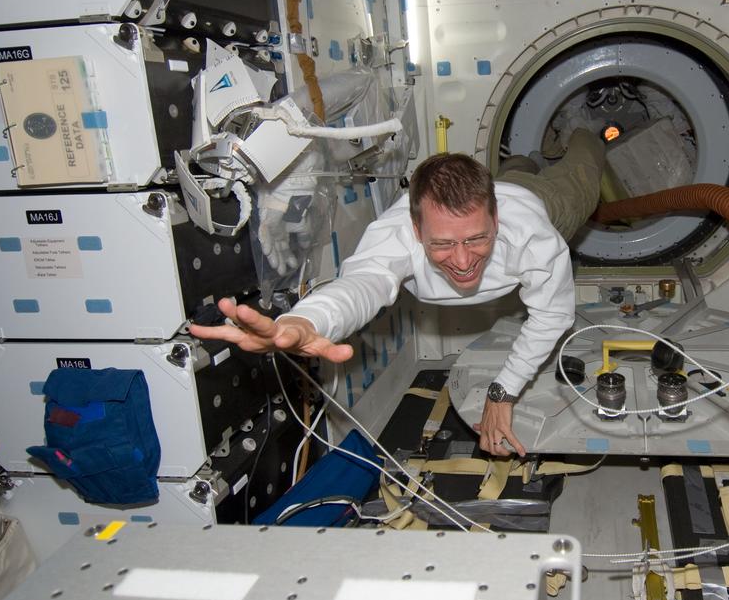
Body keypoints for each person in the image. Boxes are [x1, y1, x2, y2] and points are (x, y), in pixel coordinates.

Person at [190, 129, 606, 458]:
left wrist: (504, 390)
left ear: (495, 220)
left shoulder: (533, 237)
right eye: (442, 244)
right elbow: (363, 284)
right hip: (496, 190)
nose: (462, 262)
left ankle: (583, 132)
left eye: (478, 239)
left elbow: (552, 316)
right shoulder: (395, 234)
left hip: (544, 202)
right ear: (415, 229)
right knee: (513, 170)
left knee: (582, 174)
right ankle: (518, 160)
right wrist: (306, 320)